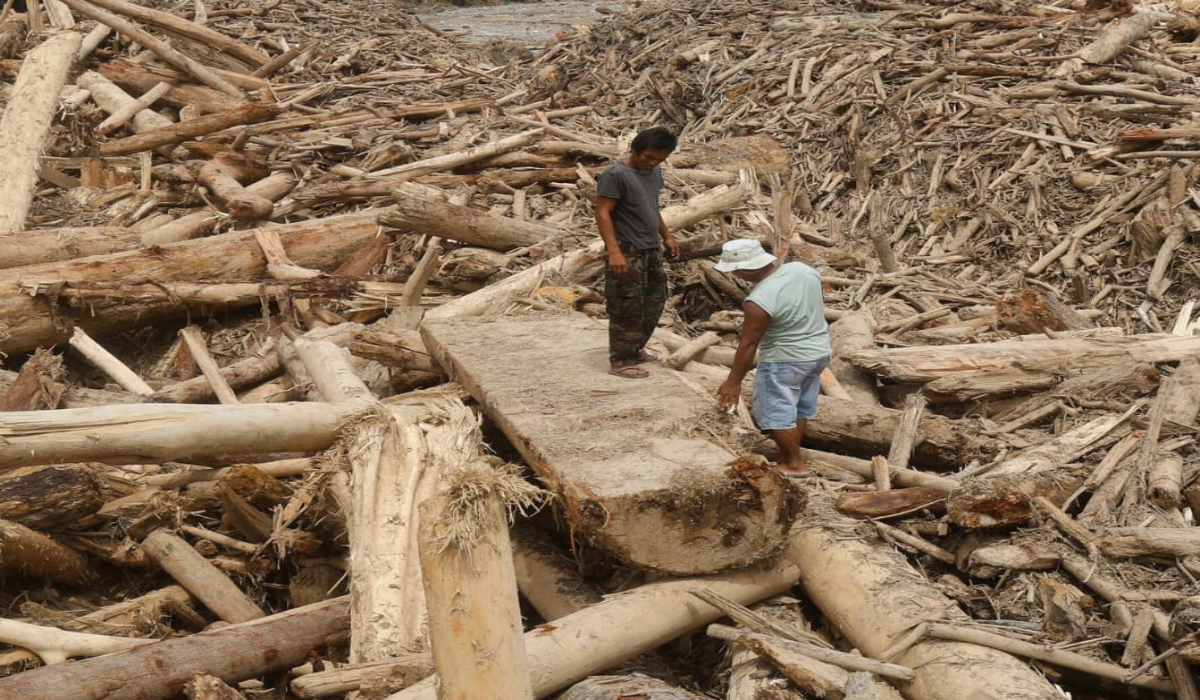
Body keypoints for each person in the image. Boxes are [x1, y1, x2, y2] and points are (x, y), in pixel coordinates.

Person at [714, 239, 831, 477]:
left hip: (785, 358)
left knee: (776, 411)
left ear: (743, 270)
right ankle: (788, 454)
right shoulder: (803, 270)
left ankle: (795, 464)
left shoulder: (758, 300)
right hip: (818, 352)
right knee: (798, 408)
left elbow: (748, 343)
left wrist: (733, 382)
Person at [594, 126, 681, 379]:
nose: (652, 163)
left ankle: (635, 347)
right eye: (648, 157)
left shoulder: (653, 173)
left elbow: (652, 207)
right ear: (635, 149)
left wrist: (667, 236)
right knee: (626, 304)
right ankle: (620, 360)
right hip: (626, 248)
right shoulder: (615, 175)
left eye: (659, 159)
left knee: (654, 300)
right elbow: (602, 212)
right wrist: (614, 252)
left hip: (650, 247)